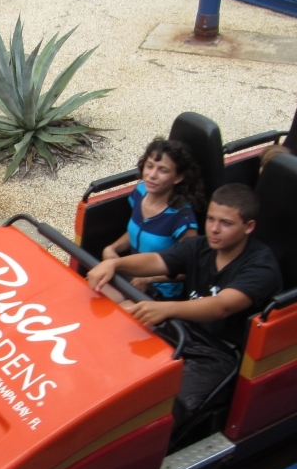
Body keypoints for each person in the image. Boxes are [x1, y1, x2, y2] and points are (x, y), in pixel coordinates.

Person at [87, 184, 282, 429]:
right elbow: (158, 260)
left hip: (219, 353)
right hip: (181, 329)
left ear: (248, 227)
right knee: (109, 348)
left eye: (226, 223)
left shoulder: (261, 267)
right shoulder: (200, 246)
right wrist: (115, 265)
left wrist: (167, 309)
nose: (214, 229)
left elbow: (223, 305)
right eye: (211, 219)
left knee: (163, 408)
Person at [101, 138, 206, 297]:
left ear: (178, 178)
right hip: (131, 276)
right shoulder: (140, 191)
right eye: (149, 166)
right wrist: (112, 248)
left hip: (158, 291)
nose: (152, 175)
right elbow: (136, 231)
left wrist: (148, 279)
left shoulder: (182, 218)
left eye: (163, 170)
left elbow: (189, 267)